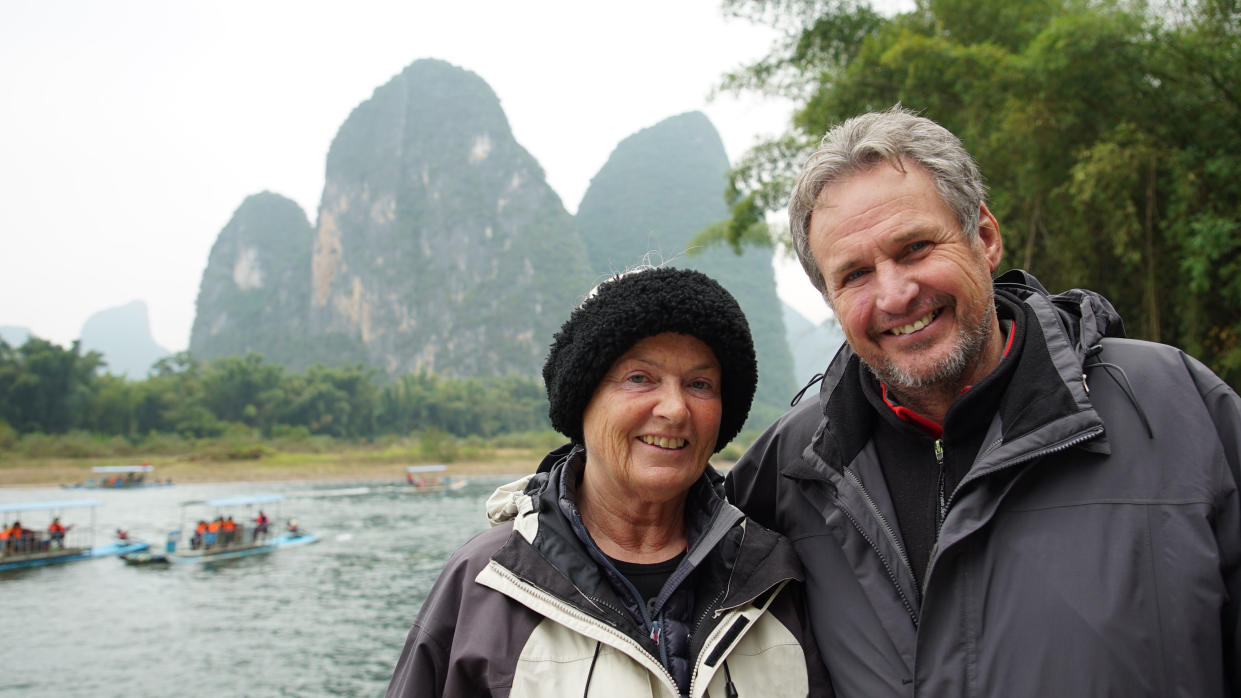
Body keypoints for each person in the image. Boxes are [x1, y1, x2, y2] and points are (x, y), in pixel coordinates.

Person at [726, 105, 1241, 696]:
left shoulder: (1174, 408)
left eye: (916, 247)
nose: (895, 295)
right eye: (855, 275)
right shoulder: (794, 467)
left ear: (985, 238)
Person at [388, 267, 830, 697]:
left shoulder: (772, 578)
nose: (675, 410)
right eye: (640, 379)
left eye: (699, 384)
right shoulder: (486, 582)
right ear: (583, 401)